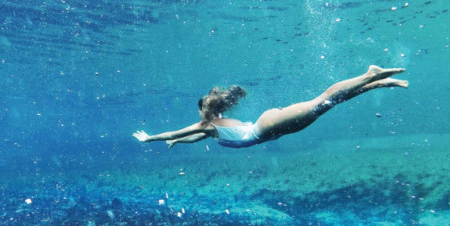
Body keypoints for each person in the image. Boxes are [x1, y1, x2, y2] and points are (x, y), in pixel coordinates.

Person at [132, 65, 407, 149]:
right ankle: (377, 85)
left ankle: (369, 74)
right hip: (272, 128)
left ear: (203, 112)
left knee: (321, 99)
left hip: (268, 126)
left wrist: (150, 138)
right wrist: (178, 144)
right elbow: (187, 138)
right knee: (326, 104)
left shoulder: (207, 125)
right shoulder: (212, 129)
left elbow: (174, 132)